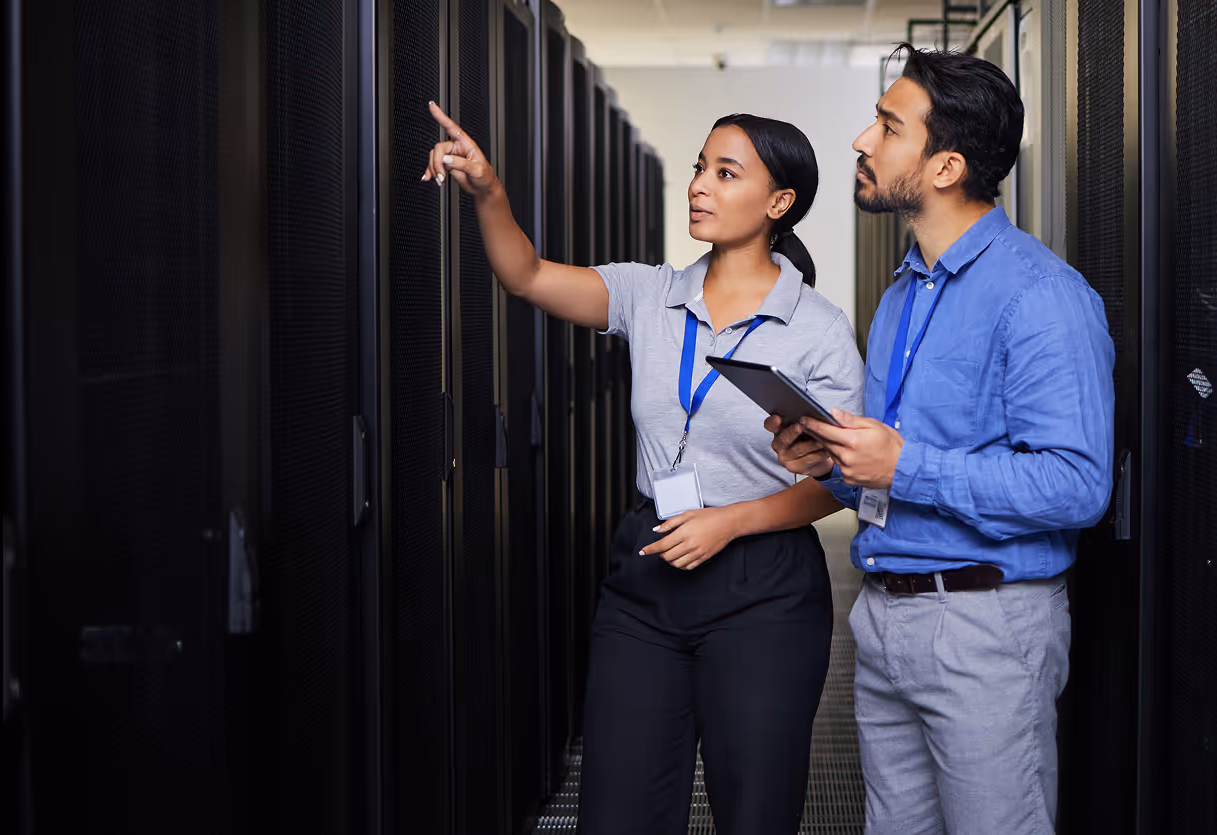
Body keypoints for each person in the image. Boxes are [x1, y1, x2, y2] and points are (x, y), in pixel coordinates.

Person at [422, 102, 864, 834]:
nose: (699, 185)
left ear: (778, 202)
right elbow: (526, 276)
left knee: (755, 810)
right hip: (647, 574)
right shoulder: (649, 294)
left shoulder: (815, 327)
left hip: (763, 588)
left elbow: (839, 479)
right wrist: (488, 193)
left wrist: (729, 521)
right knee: (617, 810)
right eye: (699, 167)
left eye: (726, 173)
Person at [765, 44, 1115, 835]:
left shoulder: (1041, 296)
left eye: (888, 126)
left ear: (945, 166)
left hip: (985, 628)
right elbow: (895, 470)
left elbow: (1076, 484)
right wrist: (835, 464)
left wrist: (904, 463)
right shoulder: (903, 291)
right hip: (886, 617)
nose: (862, 139)